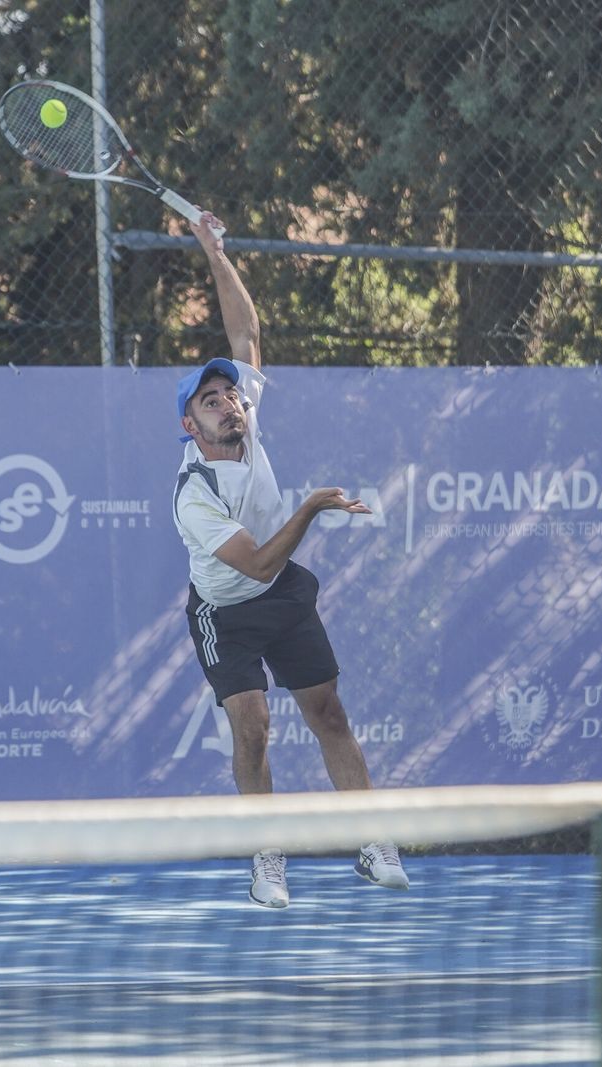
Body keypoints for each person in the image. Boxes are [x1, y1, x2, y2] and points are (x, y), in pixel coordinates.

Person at [171, 209, 409, 908]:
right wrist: (308, 507)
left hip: (282, 598)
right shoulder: (193, 495)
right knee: (253, 724)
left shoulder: (250, 418)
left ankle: (371, 841)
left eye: (232, 394)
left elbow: (245, 331)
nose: (228, 404)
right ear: (192, 426)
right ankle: (267, 854)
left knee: (329, 712)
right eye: (210, 401)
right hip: (229, 609)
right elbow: (257, 566)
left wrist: (213, 251)